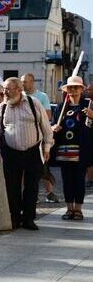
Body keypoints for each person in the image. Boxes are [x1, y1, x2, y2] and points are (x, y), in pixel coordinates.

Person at [0, 77, 54, 231]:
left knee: (32, 187)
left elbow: (46, 127)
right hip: (10, 152)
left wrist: (47, 148)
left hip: (33, 151)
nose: (5, 92)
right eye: (4, 89)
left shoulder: (33, 103)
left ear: (18, 90)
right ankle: (15, 217)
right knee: (12, 186)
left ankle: (29, 219)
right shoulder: (1, 108)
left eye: (8, 89)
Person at [50, 76, 93, 220]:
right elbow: (53, 125)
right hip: (65, 150)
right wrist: (54, 128)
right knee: (67, 180)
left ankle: (78, 209)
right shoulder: (61, 107)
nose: (73, 90)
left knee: (79, 180)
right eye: (70, 87)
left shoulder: (89, 105)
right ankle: (69, 208)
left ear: (82, 89)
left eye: (76, 87)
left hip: (82, 150)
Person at [21, 73, 58, 203]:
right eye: (22, 82)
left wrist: (31, 118)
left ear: (32, 82)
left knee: (43, 166)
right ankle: (30, 194)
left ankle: (50, 192)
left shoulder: (42, 96)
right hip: (24, 137)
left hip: (40, 137)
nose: (23, 84)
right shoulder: (20, 97)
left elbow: (47, 116)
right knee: (26, 168)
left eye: (25, 82)